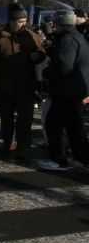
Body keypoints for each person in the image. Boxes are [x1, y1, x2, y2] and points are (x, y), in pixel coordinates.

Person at [0, 2, 46, 161]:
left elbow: (42, 53)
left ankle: (23, 147)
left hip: (26, 85)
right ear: (11, 22)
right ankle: (7, 143)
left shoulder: (31, 36)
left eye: (23, 22)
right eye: (18, 22)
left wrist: (39, 56)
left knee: (24, 120)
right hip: (4, 84)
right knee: (6, 118)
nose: (21, 25)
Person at [37, 10, 89, 171]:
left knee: (54, 125)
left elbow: (64, 65)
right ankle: (83, 158)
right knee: (75, 126)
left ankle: (58, 160)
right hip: (77, 89)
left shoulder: (67, 40)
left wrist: (46, 73)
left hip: (66, 90)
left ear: (59, 25)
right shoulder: (78, 37)